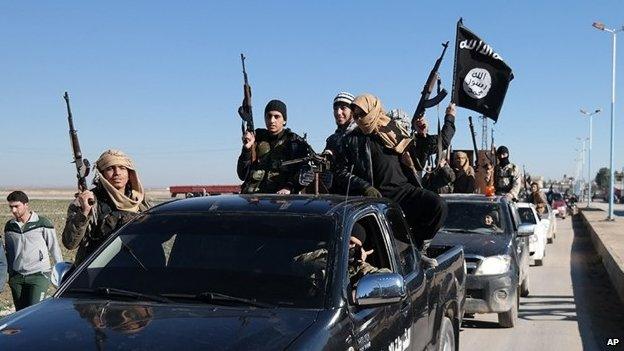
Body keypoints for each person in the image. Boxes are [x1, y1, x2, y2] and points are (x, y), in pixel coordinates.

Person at [336, 93, 448, 247]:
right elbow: (340, 172)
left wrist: (421, 134)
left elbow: (419, 158)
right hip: (377, 196)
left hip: (403, 191)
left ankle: (417, 247)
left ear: (373, 110)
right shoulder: (351, 140)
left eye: (362, 113)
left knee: (438, 206)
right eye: (356, 115)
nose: (359, 118)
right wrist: (365, 186)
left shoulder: (392, 130)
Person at [62, 149, 150, 265]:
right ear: (101, 174)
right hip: (99, 270)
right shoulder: (88, 201)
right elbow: (70, 243)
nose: (117, 173)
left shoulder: (141, 201)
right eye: (110, 168)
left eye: (122, 168)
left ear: (130, 173)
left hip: (137, 267)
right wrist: (84, 213)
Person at [4, 191, 63, 310]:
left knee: (35, 311)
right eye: (11, 207)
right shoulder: (10, 226)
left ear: (26, 204)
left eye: (16, 206)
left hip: (39, 275)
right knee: (20, 314)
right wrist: (10, 276)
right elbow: (9, 253)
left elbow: (54, 248)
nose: (13, 210)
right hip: (17, 277)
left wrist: (61, 274)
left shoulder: (42, 223)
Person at [237, 99, 310, 194]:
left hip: (279, 201)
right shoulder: (256, 138)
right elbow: (242, 174)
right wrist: (247, 149)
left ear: (284, 120)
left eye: (277, 117)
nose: (272, 120)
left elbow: (306, 172)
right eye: (269, 116)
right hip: (252, 199)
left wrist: (289, 187)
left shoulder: (294, 142)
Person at [324, 92, 357, 194]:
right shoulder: (332, 139)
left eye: (343, 108)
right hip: (336, 196)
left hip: (357, 195)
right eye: (335, 109)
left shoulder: (361, 136)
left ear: (353, 111)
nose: (338, 112)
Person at [411, 103, 456, 171]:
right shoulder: (413, 144)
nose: (421, 121)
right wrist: (450, 115)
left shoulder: (413, 143)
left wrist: (421, 134)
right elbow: (444, 141)